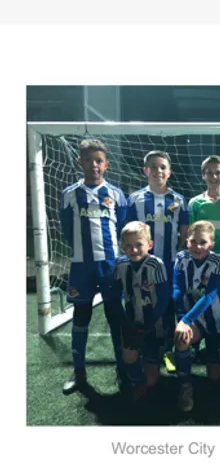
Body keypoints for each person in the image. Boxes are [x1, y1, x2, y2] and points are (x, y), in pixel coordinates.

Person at [60, 138, 127, 394]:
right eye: (88, 160)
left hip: (110, 265)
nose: (93, 165)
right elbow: (67, 229)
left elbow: (121, 227)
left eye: (98, 160)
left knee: (114, 316)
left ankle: (122, 368)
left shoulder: (116, 194)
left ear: (106, 164)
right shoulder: (70, 194)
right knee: (81, 317)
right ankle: (79, 372)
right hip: (81, 266)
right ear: (80, 162)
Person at [126, 150, 189, 362]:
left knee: (168, 305)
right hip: (141, 265)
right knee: (142, 304)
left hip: (170, 264)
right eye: (153, 167)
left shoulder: (178, 200)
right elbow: (128, 233)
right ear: (145, 171)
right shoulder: (135, 199)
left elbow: (184, 235)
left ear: (169, 172)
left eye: (163, 167)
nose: (158, 171)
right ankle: (144, 349)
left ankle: (169, 350)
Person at [109, 221, 170, 402]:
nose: (134, 250)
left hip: (154, 325)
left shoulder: (156, 265)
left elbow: (163, 299)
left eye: (138, 245)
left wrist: (148, 327)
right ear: (122, 247)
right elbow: (114, 298)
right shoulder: (120, 265)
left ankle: (156, 357)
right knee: (130, 357)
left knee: (151, 380)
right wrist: (127, 326)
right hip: (131, 322)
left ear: (149, 244)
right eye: (128, 246)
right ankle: (136, 380)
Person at [173, 220, 220, 412]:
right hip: (192, 318)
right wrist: (183, 319)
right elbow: (177, 289)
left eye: (203, 242)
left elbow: (209, 296)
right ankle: (185, 385)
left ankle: (213, 353)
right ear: (186, 241)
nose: (197, 247)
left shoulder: (219, 261)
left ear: (211, 244)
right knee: (181, 338)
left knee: (215, 376)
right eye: (193, 241)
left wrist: (185, 320)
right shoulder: (181, 258)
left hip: (216, 319)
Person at [188, 155, 220, 292]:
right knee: (199, 294)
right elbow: (191, 230)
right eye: (209, 173)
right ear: (203, 176)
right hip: (200, 258)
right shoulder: (195, 203)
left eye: (218, 172)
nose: (214, 177)